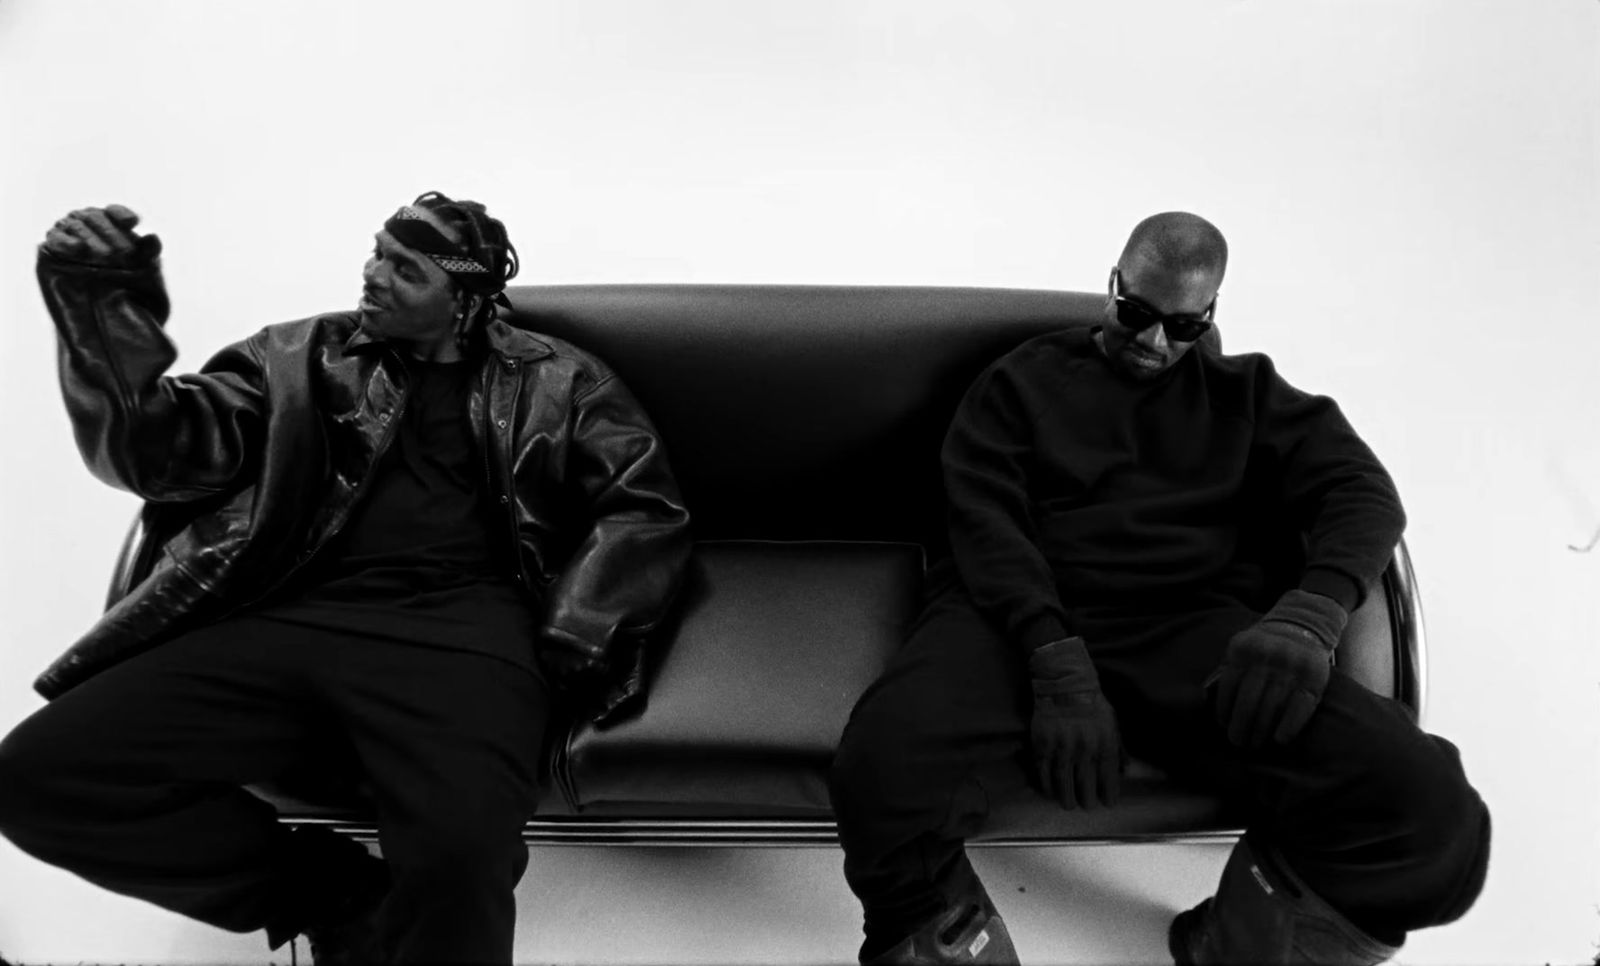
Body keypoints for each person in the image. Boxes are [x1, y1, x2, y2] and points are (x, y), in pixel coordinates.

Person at [0, 194, 692, 964]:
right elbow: (157, 456)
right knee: (38, 779)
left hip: (469, 631)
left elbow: (642, 507)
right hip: (293, 613)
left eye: (405, 268)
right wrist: (100, 301)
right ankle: (332, 895)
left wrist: (578, 628)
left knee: (461, 858)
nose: (373, 275)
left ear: (464, 298)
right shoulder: (293, 359)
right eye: (376, 252)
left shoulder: (562, 379)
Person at [828, 212, 1491, 965]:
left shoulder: (1247, 394)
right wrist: (1055, 659)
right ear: (1113, 284)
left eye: (1180, 327)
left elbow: (1359, 490)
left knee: (1434, 813)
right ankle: (937, 926)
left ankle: (1246, 935)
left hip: (1185, 625)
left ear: (1209, 314)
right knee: (880, 768)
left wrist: (1312, 614)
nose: (1152, 342)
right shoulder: (1023, 379)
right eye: (1136, 314)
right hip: (1016, 616)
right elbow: (984, 522)